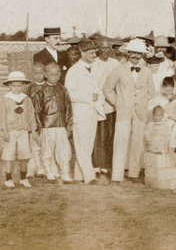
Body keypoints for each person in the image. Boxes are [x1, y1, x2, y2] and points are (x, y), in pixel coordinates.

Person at [103, 39, 155, 183]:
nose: (136, 56)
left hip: (140, 112)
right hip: (124, 111)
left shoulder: (147, 71)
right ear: (128, 53)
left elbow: (151, 91)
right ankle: (117, 175)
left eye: (139, 54)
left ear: (142, 55)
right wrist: (118, 103)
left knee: (137, 142)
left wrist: (142, 102)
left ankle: (133, 173)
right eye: (133, 53)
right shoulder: (119, 69)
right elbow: (107, 89)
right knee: (120, 141)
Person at [65, 40, 105, 185]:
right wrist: (89, 97)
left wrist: (99, 100)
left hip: (93, 112)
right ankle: (89, 176)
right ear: (82, 53)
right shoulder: (73, 71)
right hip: (80, 113)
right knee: (81, 145)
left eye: (95, 52)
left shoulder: (96, 69)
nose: (95, 55)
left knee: (87, 146)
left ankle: (78, 175)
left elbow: (99, 89)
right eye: (91, 53)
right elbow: (69, 94)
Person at [33, 63, 73, 183]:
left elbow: (68, 109)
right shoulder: (41, 91)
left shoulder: (63, 89)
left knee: (64, 151)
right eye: (51, 74)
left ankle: (65, 173)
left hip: (61, 127)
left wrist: (69, 126)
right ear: (46, 75)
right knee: (47, 150)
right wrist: (39, 128)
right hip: (47, 126)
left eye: (57, 74)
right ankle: (48, 172)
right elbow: (37, 111)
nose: (54, 77)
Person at [0, 71, 37, 188]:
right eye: (14, 85)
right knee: (9, 154)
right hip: (11, 130)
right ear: (9, 85)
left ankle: (23, 178)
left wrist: (34, 130)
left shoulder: (27, 99)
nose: (16, 88)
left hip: (23, 130)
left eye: (19, 85)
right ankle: (8, 178)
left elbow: (31, 115)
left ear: (23, 85)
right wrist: (5, 130)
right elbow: (2, 116)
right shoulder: (5, 99)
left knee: (24, 154)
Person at [91, 39, 120, 175]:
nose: (105, 51)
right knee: (98, 136)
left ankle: (107, 165)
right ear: (98, 49)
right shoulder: (93, 63)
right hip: (97, 104)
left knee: (110, 135)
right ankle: (96, 164)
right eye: (102, 48)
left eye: (108, 48)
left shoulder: (115, 64)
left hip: (112, 104)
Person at [26, 63, 46, 178]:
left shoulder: (49, 87)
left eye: (40, 73)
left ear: (45, 73)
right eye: (35, 73)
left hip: (45, 121)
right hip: (33, 121)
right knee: (33, 146)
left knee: (44, 145)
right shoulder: (29, 88)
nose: (38, 76)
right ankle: (32, 169)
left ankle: (43, 168)